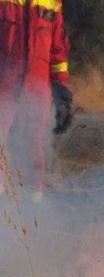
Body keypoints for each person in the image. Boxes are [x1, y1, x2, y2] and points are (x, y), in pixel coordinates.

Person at [0, 0, 73, 202]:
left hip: (38, 89)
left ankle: (35, 213)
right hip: (3, 86)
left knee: (34, 149)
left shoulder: (52, 2)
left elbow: (57, 49)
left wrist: (61, 89)